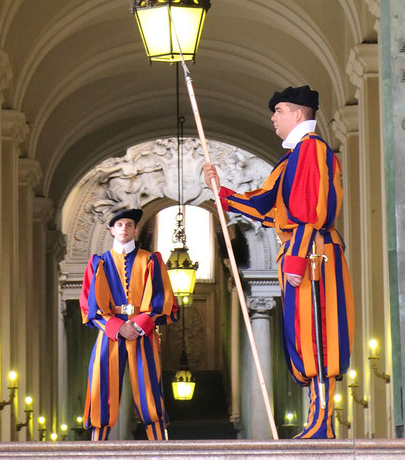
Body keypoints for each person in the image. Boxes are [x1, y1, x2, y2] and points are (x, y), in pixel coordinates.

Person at [204, 85, 354, 439]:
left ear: (299, 114)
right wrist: (221, 192)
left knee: (318, 336)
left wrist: (297, 257)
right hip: (301, 253)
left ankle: (323, 422)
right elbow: (265, 204)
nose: (273, 119)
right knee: (303, 337)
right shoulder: (291, 158)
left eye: (279, 111)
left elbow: (309, 212)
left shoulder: (312, 151)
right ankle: (316, 419)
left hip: (313, 254)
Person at [79, 208, 178, 441]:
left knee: (149, 387)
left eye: (129, 224)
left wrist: (138, 325)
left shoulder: (151, 260)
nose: (124, 228)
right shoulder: (99, 262)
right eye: (120, 224)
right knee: (101, 383)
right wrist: (117, 327)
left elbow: (162, 300)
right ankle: (97, 450)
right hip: (110, 333)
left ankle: (159, 447)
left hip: (142, 331)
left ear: (136, 229)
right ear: (112, 229)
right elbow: (89, 304)